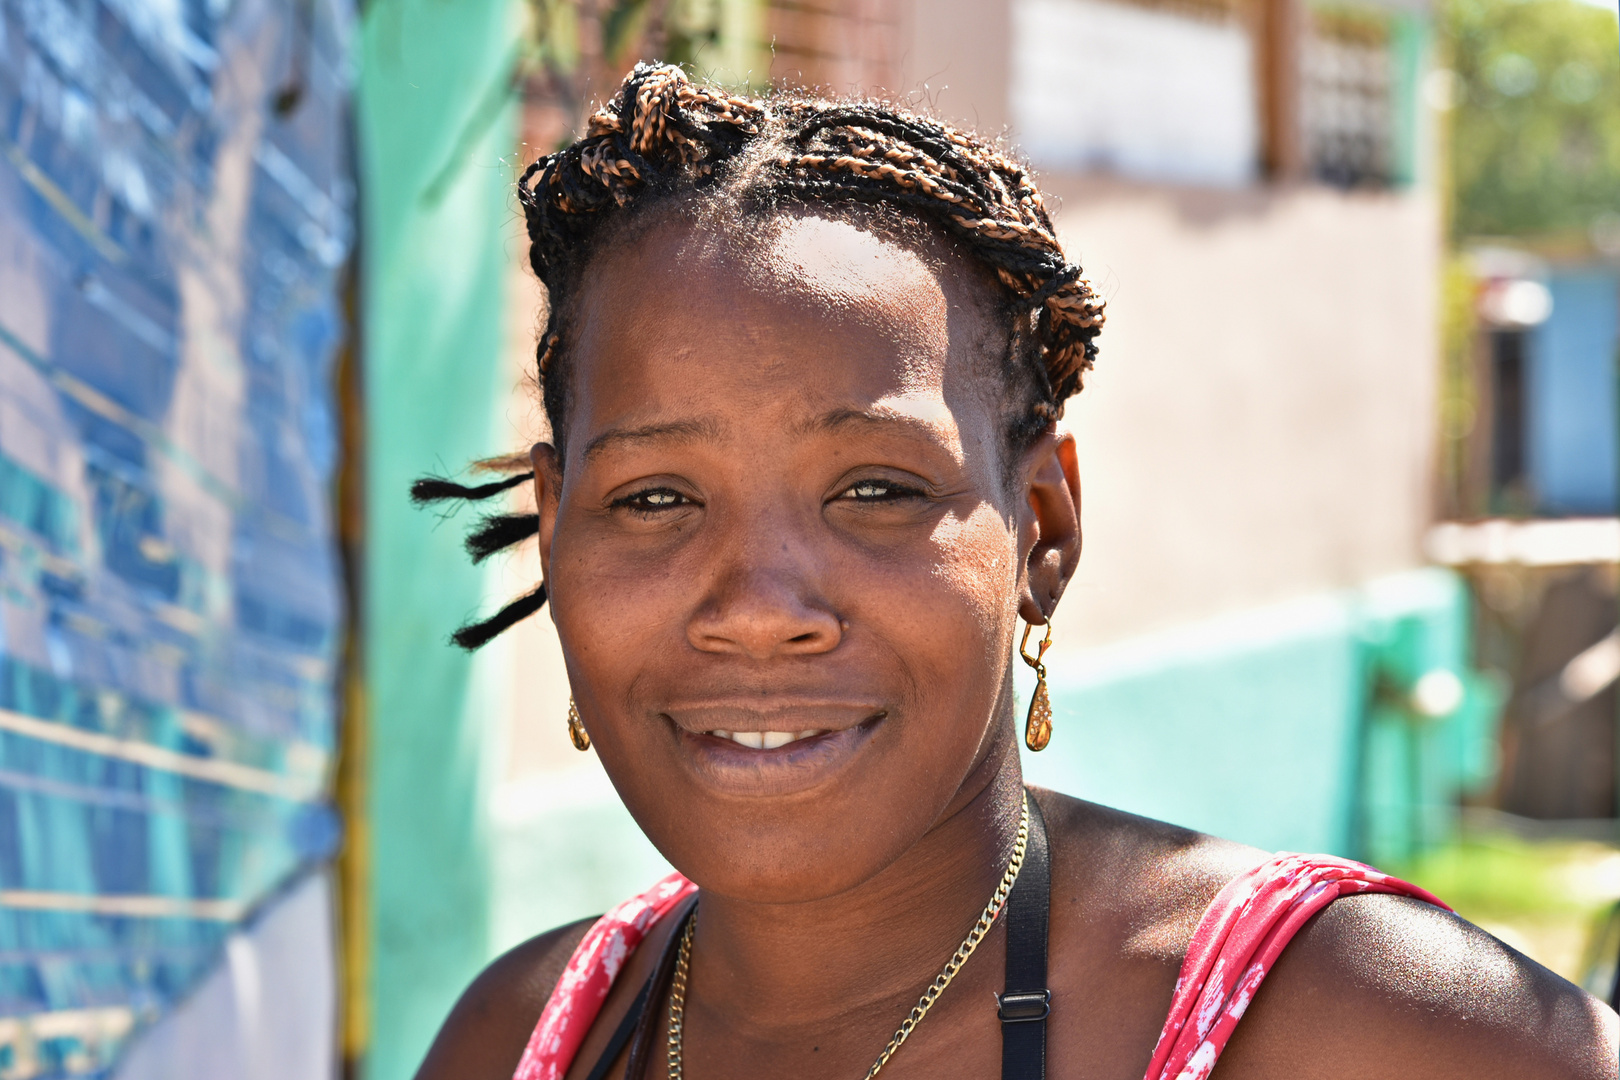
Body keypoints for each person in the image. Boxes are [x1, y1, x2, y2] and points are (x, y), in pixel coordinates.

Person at [411, 63, 1619, 1080]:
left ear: (1040, 527)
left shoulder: (1378, 1032)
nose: (760, 610)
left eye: (875, 491)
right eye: (657, 500)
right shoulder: (524, 1039)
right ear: (558, 529)